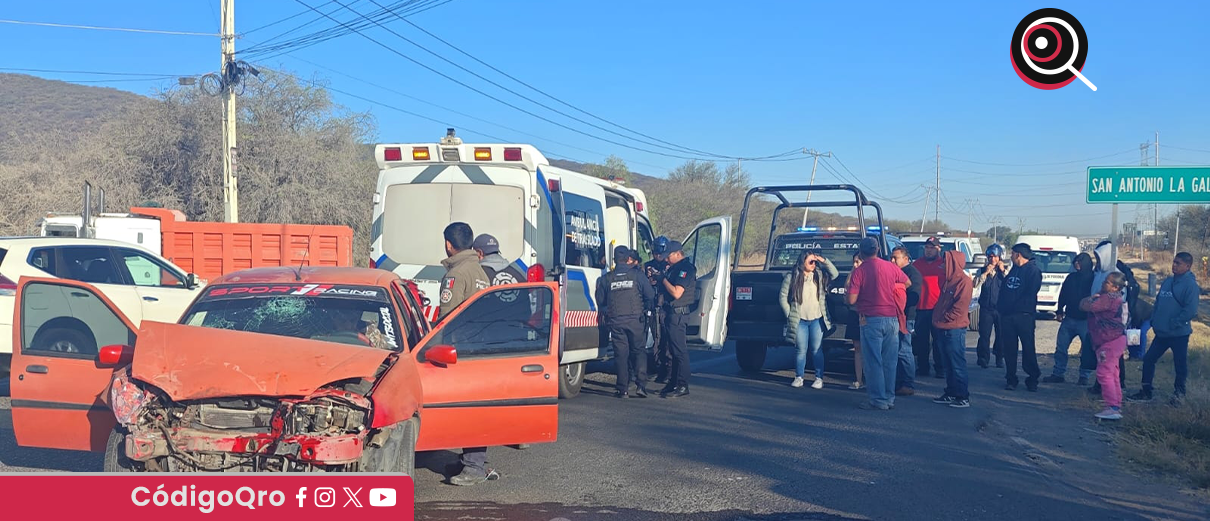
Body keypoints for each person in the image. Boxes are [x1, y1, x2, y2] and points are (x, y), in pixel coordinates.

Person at [438, 223, 493, 487]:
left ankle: (474, 466)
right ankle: (469, 460)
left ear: (449, 245)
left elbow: (447, 320)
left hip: (462, 352)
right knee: (474, 408)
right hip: (480, 349)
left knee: (469, 409)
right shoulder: (481, 272)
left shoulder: (456, 275)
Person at [847, 237, 910, 411]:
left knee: (873, 361)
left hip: (871, 319)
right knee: (890, 361)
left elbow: (851, 299)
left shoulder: (859, 271)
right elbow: (907, 282)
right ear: (877, 250)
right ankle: (889, 398)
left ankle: (878, 399)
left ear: (861, 252)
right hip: (891, 318)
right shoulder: (890, 266)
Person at [1130, 252, 1200, 405]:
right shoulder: (1168, 282)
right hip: (1161, 333)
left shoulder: (1191, 286)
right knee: (1149, 359)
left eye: (1178, 263)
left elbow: (1190, 310)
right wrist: (1154, 320)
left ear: (1187, 266)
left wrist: (1175, 323)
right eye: (1174, 262)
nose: (1174, 265)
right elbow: (1158, 302)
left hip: (1179, 334)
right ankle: (1146, 391)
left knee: (1179, 365)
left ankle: (1179, 394)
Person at [596, 246, 656, 398]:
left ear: (615, 260)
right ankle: (641, 385)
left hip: (616, 321)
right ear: (628, 259)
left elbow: (600, 301)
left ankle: (622, 389)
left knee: (621, 355)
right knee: (639, 352)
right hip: (636, 320)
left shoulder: (607, 278)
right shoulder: (637, 275)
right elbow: (650, 295)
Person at [779, 250, 839, 389]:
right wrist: (789, 314)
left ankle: (819, 378)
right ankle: (799, 377)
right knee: (801, 349)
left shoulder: (818, 275)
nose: (813, 264)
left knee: (816, 349)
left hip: (817, 319)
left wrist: (823, 260)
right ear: (803, 261)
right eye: (811, 261)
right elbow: (782, 297)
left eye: (815, 262)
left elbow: (835, 274)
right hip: (800, 320)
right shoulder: (792, 277)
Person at [1081, 272, 1128, 420]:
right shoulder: (1116, 297)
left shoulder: (1108, 298)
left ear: (1115, 287)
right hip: (1115, 339)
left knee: (1104, 373)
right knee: (1113, 373)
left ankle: (1112, 407)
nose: (1103, 284)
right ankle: (1115, 404)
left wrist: (1090, 298)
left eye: (1107, 282)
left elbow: (1085, 306)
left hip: (1109, 340)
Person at [931, 250, 975, 408]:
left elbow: (960, 306)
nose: (942, 264)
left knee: (957, 363)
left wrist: (944, 318)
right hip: (943, 327)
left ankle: (963, 396)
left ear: (953, 263)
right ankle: (951, 392)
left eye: (945, 261)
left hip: (954, 329)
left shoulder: (964, 282)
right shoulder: (948, 280)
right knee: (948, 363)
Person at [1044, 252, 1095, 384]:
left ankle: (1084, 376)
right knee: (1061, 348)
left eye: (1080, 261)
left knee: (1087, 350)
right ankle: (1058, 373)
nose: (1077, 264)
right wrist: (1059, 310)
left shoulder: (1094, 278)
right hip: (1069, 318)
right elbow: (1063, 294)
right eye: (1076, 261)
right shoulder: (1071, 277)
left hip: (1086, 320)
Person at [999, 243, 1043, 391]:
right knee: (1009, 349)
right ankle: (1011, 379)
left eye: (1012, 253)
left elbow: (1030, 293)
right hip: (1007, 317)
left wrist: (1014, 306)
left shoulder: (1033, 271)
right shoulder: (1014, 270)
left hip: (1024, 316)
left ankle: (1032, 378)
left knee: (1028, 348)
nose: (1010, 256)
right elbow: (1005, 289)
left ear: (1018, 254)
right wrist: (1002, 308)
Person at [659, 240, 697, 398]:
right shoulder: (674, 268)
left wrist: (662, 279)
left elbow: (676, 293)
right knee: (673, 351)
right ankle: (673, 382)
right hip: (671, 313)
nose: (666, 259)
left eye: (668, 256)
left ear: (677, 254)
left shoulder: (686, 269)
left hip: (679, 314)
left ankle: (682, 384)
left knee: (680, 351)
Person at [912, 237, 947, 378]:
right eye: (927, 247)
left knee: (939, 341)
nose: (929, 250)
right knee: (922, 341)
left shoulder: (943, 265)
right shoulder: (917, 264)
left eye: (932, 248)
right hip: (921, 308)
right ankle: (923, 367)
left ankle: (940, 368)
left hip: (938, 308)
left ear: (939, 249)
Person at [891, 246, 922, 395]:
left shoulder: (912, 274)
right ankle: (898, 382)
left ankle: (908, 384)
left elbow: (914, 297)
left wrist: (898, 302)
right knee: (896, 350)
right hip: (894, 316)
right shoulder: (894, 272)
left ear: (906, 259)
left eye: (895, 258)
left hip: (907, 317)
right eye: (891, 257)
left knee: (904, 350)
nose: (892, 260)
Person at [974, 244, 1008, 368]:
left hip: (1001, 308)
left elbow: (1009, 282)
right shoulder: (982, 270)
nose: (993, 259)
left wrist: (1003, 270)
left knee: (1001, 335)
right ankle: (983, 358)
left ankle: (999, 357)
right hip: (986, 308)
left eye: (995, 257)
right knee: (984, 334)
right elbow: (975, 285)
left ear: (1000, 257)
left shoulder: (1005, 270)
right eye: (990, 257)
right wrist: (986, 273)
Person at [645, 237, 672, 383]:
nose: (657, 255)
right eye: (655, 253)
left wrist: (661, 277)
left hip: (665, 307)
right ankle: (657, 366)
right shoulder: (648, 266)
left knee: (666, 340)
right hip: (651, 306)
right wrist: (649, 278)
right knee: (655, 339)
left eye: (660, 253)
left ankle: (667, 369)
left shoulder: (669, 266)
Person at [846, 253, 865, 390]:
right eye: (854, 261)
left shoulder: (871, 275)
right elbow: (847, 297)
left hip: (868, 315)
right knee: (857, 348)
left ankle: (872, 379)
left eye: (858, 261)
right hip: (854, 313)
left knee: (870, 348)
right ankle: (859, 380)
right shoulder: (850, 276)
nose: (855, 264)